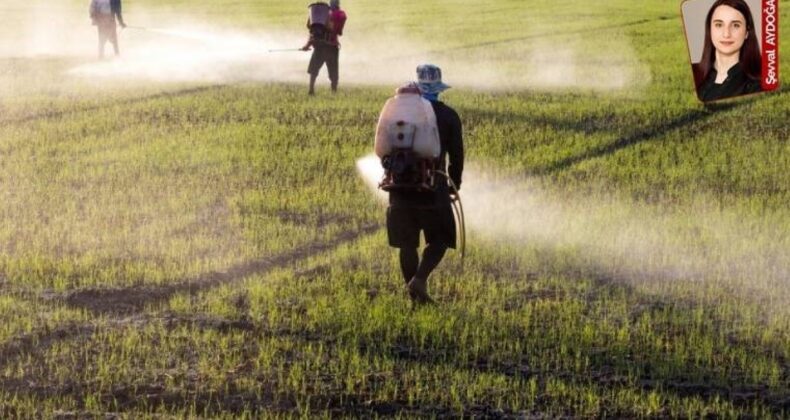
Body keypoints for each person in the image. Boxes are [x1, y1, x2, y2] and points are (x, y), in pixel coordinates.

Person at [386, 64, 464, 305]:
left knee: (407, 244)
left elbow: (384, 148)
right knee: (440, 238)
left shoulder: (399, 113)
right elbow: (457, 155)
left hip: (399, 187)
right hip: (434, 187)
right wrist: (454, 184)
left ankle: (414, 297)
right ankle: (419, 280)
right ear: (439, 89)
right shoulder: (449, 115)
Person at [692, 0, 761, 102]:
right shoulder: (693, 74)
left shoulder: (757, 86)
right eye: (719, 25)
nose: (726, 34)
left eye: (735, 25)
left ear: (747, 32)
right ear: (710, 29)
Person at [301, 0, 347, 95]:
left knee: (314, 69)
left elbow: (311, 30)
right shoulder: (340, 15)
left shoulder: (317, 15)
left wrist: (307, 45)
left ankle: (311, 90)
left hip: (319, 46)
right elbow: (339, 32)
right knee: (333, 72)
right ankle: (334, 92)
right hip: (332, 47)